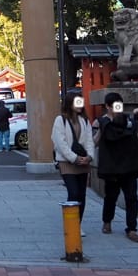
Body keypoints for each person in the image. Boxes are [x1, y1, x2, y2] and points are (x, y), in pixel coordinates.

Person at [94, 91, 138, 243]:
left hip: (129, 165)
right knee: (111, 197)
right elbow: (94, 141)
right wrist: (99, 132)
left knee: (132, 198)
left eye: (119, 105)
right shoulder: (100, 122)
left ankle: (131, 228)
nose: (117, 109)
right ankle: (107, 221)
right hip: (112, 166)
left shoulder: (129, 119)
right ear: (107, 107)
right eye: (114, 106)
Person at [51, 90, 95, 230]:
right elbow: (60, 143)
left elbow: (89, 141)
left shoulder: (85, 120)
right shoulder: (60, 120)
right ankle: (72, 225)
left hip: (83, 161)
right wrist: (74, 158)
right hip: (67, 162)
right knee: (73, 192)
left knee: (82, 194)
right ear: (70, 103)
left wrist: (89, 156)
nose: (80, 104)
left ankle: (78, 224)